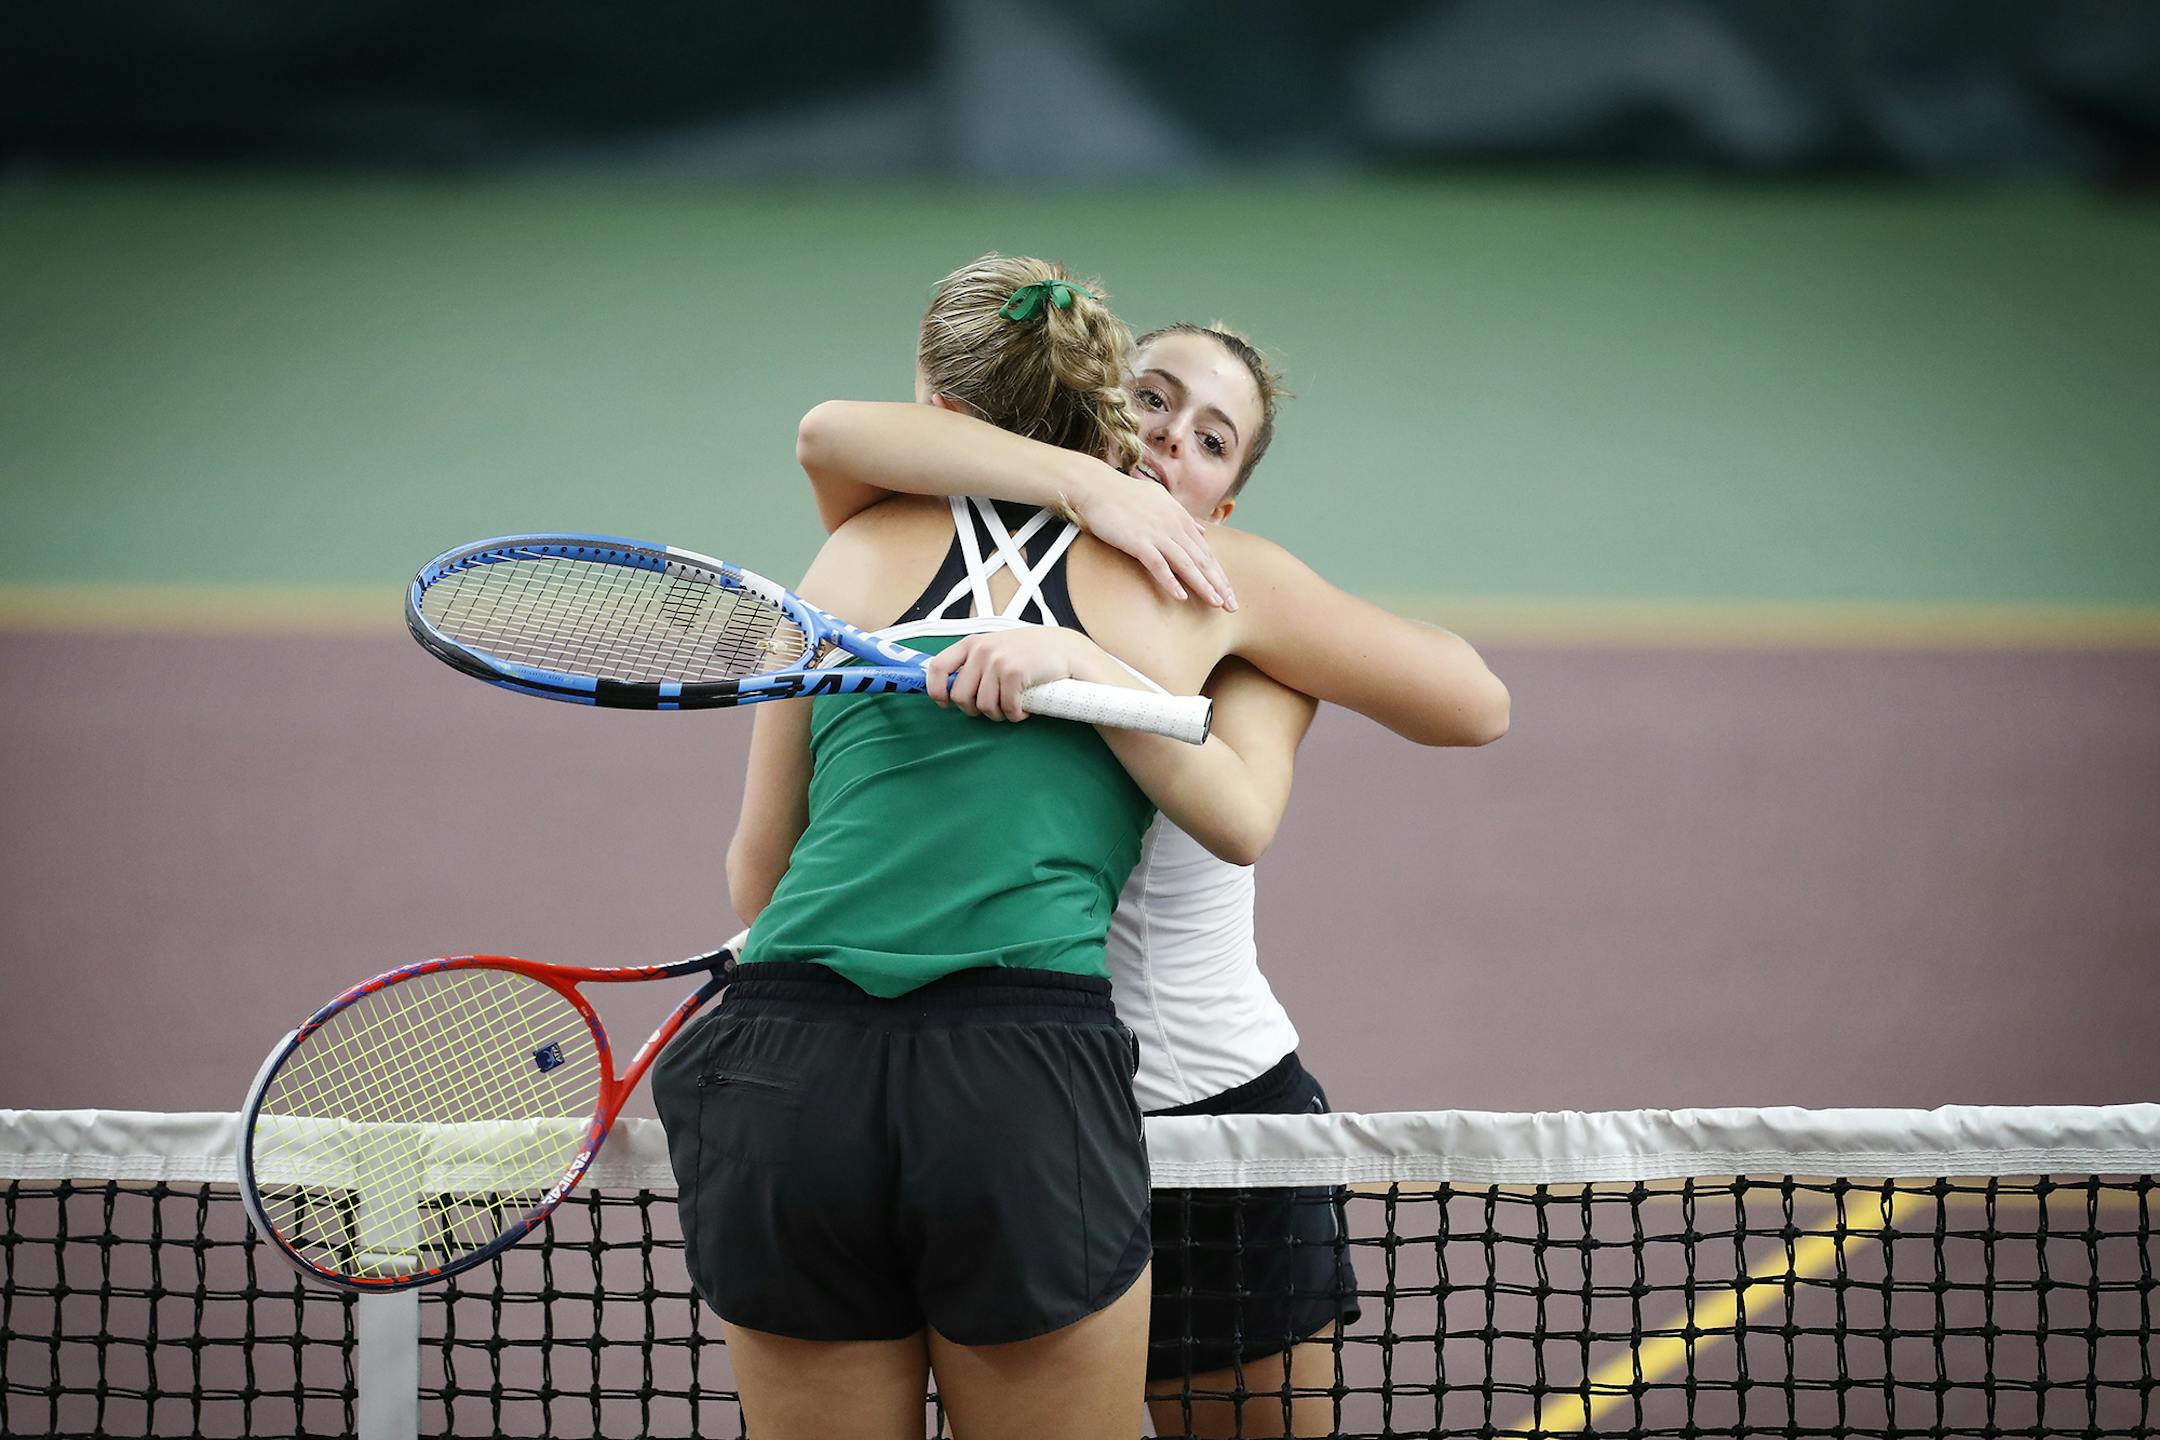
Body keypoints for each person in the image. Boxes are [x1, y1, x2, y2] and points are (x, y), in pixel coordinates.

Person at [793, 322, 1509, 1437]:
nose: (1171, 438)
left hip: (1202, 1127)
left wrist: (1096, 675)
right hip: (986, 1116)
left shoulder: (1229, 590)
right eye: (1152, 399)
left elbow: (1474, 704)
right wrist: (1085, 485)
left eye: (1212, 440)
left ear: (1221, 503)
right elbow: (837, 433)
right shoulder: (951, 536)